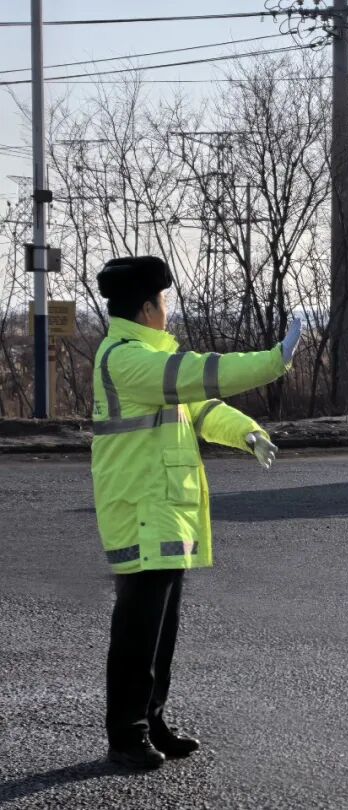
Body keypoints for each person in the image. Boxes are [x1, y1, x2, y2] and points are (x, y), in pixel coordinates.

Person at [91, 256, 301, 770]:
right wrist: (273, 360)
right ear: (147, 309)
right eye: (163, 301)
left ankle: (152, 720)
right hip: (141, 509)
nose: (167, 309)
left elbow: (202, 407)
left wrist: (247, 432)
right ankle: (127, 734)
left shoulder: (148, 359)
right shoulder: (126, 359)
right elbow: (203, 374)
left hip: (163, 509)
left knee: (161, 629)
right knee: (138, 629)